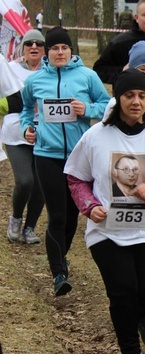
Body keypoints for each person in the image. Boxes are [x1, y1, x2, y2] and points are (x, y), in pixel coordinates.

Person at [64, 68, 145, 354]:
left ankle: (143, 313)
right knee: (121, 292)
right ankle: (129, 353)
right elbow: (76, 178)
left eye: (142, 96)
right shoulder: (96, 136)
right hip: (108, 231)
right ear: (118, 99)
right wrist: (89, 206)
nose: (136, 102)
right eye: (129, 95)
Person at [20, 26, 111, 296]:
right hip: (46, 155)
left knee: (72, 217)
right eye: (54, 48)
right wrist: (28, 127)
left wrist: (88, 109)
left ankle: (61, 257)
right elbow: (26, 108)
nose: (60, 52)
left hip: (80, 157)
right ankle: (59, 273)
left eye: (64, 48)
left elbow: (107, 104)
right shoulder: (35, 81)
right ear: (47, 53)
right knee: (57, 215)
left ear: (71, 51)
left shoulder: (87, 76)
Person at [3, 30, 46, 244]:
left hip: (44, 135)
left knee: (40, 185)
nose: (34, 47)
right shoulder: (10, 70)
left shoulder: (52, 72)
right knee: (25, 180)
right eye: (30, 43)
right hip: (15, 133)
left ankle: (30, 228)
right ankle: (16, 218)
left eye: (39, 43)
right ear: (23, 47)